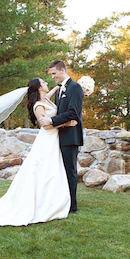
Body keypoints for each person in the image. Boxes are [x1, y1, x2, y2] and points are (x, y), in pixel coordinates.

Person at [0, 78, 76, 226]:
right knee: (44, 171)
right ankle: (41, 203)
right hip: (47, 140)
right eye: (44, 82)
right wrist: (67, 123)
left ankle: (53, 199)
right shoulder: (38, 106)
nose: (47, 83)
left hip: (54, 140)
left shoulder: (46, 99)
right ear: (39, 87)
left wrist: (60, 87)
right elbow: (46, 126)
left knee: (52, 170)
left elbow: (53, 94)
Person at [39, 60, 84, 213]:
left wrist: (51, 120)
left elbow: (73, 113)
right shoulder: (61, 88)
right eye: (51, 74)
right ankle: (62, 201)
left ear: (62, 70)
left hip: (70, 136)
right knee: (60, 171)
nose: (53, 77)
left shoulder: (75, 87)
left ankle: (72, 205)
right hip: (60, 134)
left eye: (54, 73)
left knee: (70, 171)